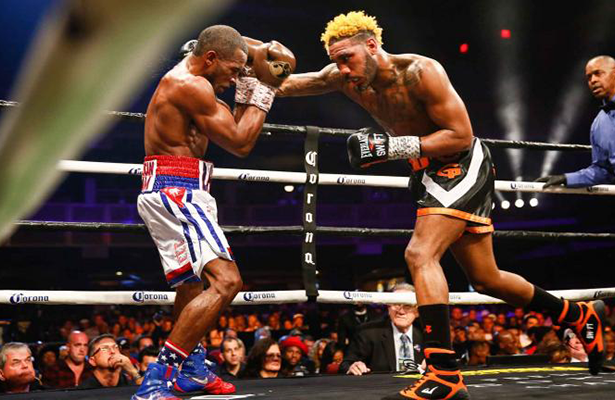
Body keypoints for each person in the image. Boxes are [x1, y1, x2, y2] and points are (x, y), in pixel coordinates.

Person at [278, 11, 606, 399]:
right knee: (486, 278)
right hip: (425, 172)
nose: (343, 69)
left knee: (420, 253)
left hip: (460, 163)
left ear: (372, 45)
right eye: (336, 61)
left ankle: (444, 373)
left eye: (347, 58)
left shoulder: (421, 72)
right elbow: (287, 85)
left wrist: (390, 147)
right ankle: (576, 314)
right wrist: (244, 73)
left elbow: (460, 135)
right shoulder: (343, 77)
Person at [132, 24, 295, 400]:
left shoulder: (199, 75)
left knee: (191, 285)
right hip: (177, 191)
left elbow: (247, 50)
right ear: (209, 58)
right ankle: (158, 377)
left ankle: (191, 369)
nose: (235, 78)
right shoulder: (190, 86)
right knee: (227, 282)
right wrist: (265, 87)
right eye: (233, 70)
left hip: (173, 188)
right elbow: (240, 142)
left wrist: (260, 60)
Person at [536, 55, 615, 188]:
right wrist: (566, 178)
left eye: (598, 73)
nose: (593, 80)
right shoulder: (599, 124)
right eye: (589, 77)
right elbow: (603, 171)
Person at [339, 283, 424, 375]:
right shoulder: (368, 333)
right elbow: (345, 365)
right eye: (396, 304)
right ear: (388, 307)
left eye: (407, 305)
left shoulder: (426, 335)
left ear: (417, 311)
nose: (401, 311)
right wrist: (353, 367)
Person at [78, 334, 143, 389]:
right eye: (105, 348)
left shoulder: (129, 385)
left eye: (115, 347)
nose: (113, 351)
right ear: (93, 361)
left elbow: (146, 393)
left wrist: (133, 371)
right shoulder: (84, 390)